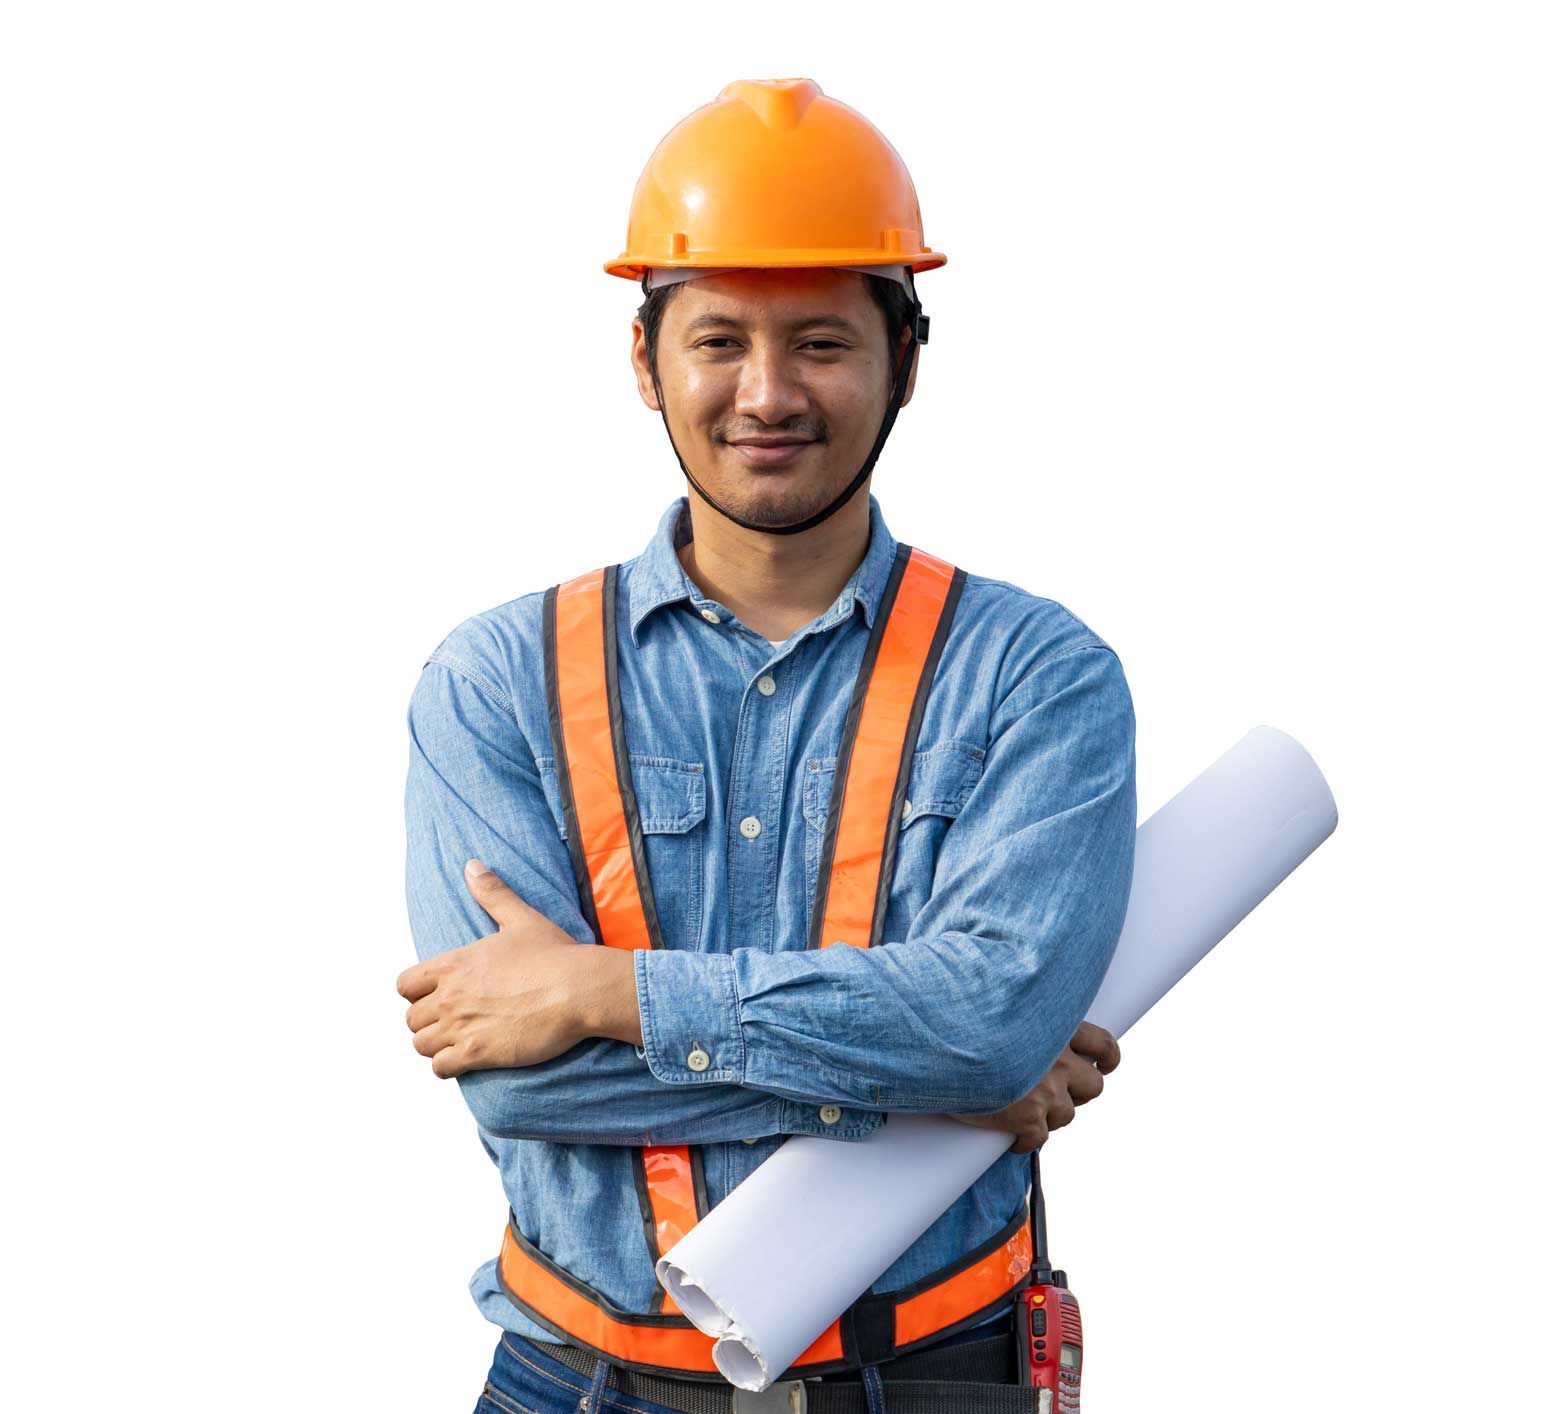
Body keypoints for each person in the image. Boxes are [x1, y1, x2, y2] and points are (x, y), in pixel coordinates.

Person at [399, 78, 1137, 1414]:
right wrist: (943, 1085)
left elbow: (988, 1021)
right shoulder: (497, 681)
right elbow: (518, 1088)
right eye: (718, 338)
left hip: (928, 1380)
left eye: (820, 342)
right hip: (575, 1383)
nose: (766, 392)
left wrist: (603, 994)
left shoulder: (1035, 676)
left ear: (904, 359)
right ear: (645, 362)